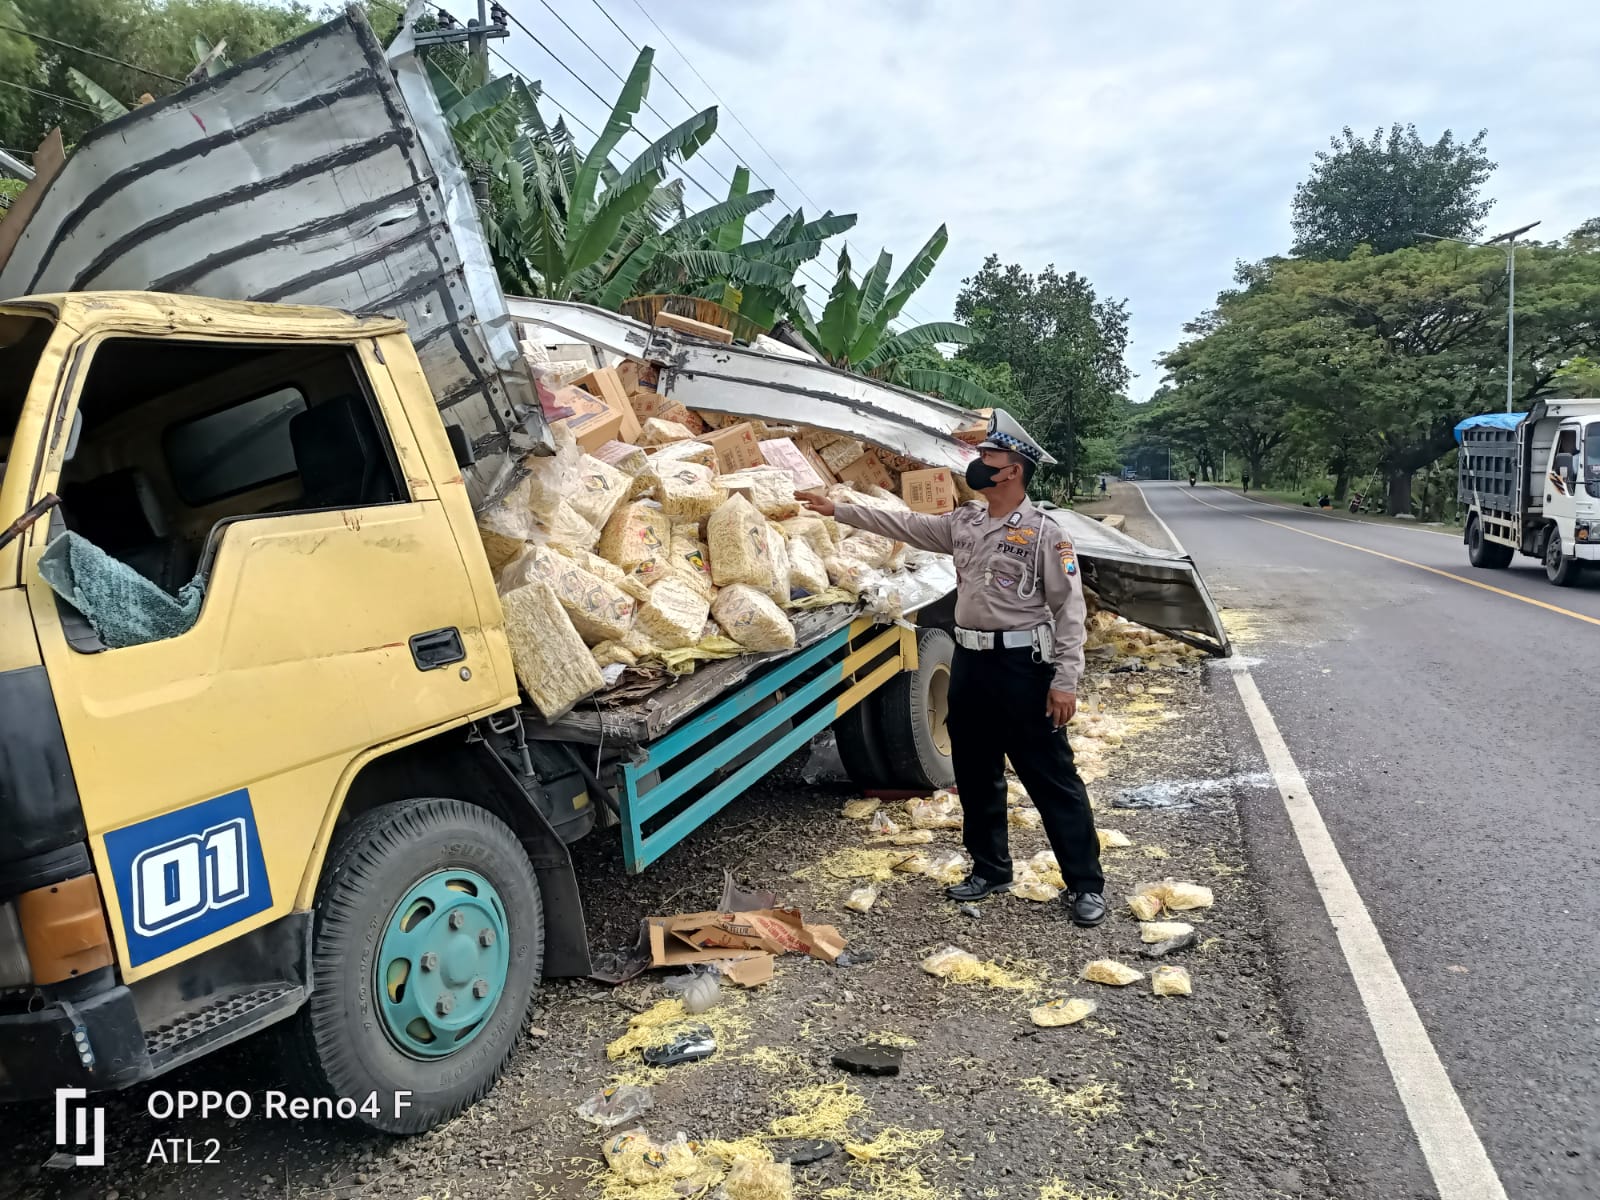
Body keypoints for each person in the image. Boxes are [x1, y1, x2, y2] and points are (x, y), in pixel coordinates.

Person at [798, 410, 1106, 926]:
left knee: (1050, 777)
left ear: (1012, 471)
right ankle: (990, 870)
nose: (979, 464)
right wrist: (839, 510)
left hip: (1023, 668)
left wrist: (1065, 681)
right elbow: (907, 524)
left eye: (990, 458)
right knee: (976, 772)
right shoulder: (966, 521)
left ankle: (1085, 885)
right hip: (970, 664)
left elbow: (1069, 611)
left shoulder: (1045, 534)